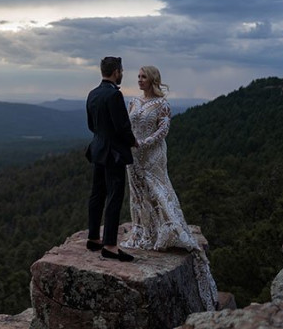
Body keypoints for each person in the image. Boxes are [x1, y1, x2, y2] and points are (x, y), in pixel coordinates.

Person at [120, 65, 218, 310]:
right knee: (138, 193)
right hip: (133, 155)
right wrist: (129, 144)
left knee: (158, 191)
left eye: (143, 77)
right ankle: (145, 231)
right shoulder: (133, 101)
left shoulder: (162, 104)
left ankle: (168, 229)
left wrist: (146, 143)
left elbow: (164, 129)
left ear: (152, 79)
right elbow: (127, 127)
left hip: (153, 154)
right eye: (138, 76)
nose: (139, 80)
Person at [85, 56, 138, 262]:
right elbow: (122, 126)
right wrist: (133, 141)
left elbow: (91, 124)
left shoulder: (93, 93)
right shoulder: (115, 95)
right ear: (116, 71)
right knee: (114, 196)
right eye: (121, 71)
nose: (122, 74)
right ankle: (109, 245)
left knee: (97, 193)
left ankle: (93, 238)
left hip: (97, 148)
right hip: (113, 153)